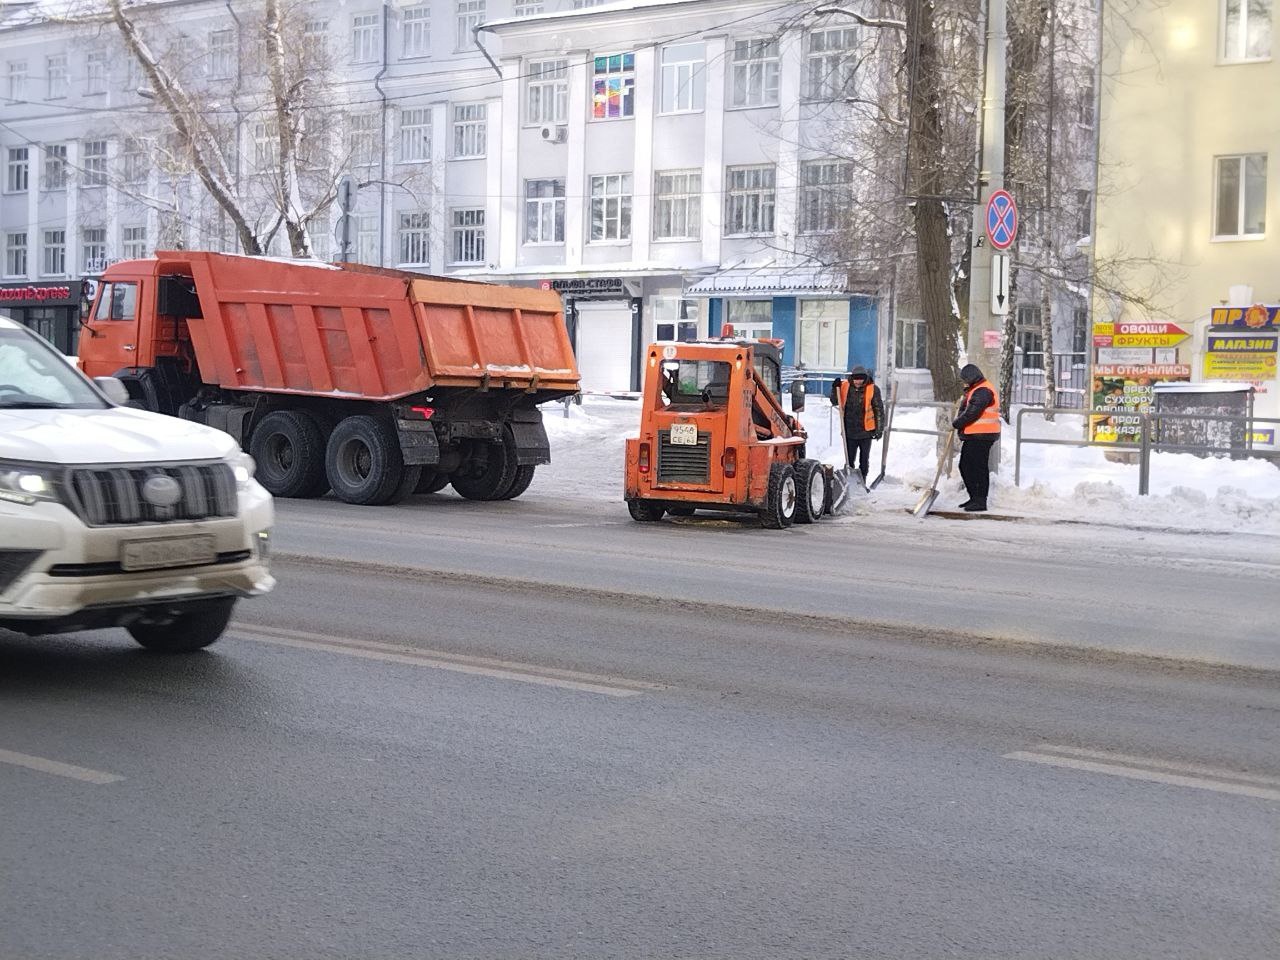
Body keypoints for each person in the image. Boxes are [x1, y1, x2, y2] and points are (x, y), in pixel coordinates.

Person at [952, 363, 1001, 512]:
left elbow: (973, 412)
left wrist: (957, 423)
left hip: (982, 435)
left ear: (971, 377)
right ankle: (974, 497)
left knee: (977, 468)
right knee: (966, 466)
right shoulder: (976, 389)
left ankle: (980, 501)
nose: (964, 382)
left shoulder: (983, 390)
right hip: (975, 435)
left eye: (965, 379)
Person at [829, 365, 884, 482]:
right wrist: (834, 388)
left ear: (865, 378)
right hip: (849, 431)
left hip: (866, 432)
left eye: (860, 379)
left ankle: (862, 481)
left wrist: (879, 429)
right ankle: (849, 481)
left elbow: (879, 410)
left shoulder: (873, 389)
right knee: (849, 459)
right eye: (856, 379)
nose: (858, 381)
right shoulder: (844, 387)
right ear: (852, 378)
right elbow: (834, 401)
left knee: (864, 460)